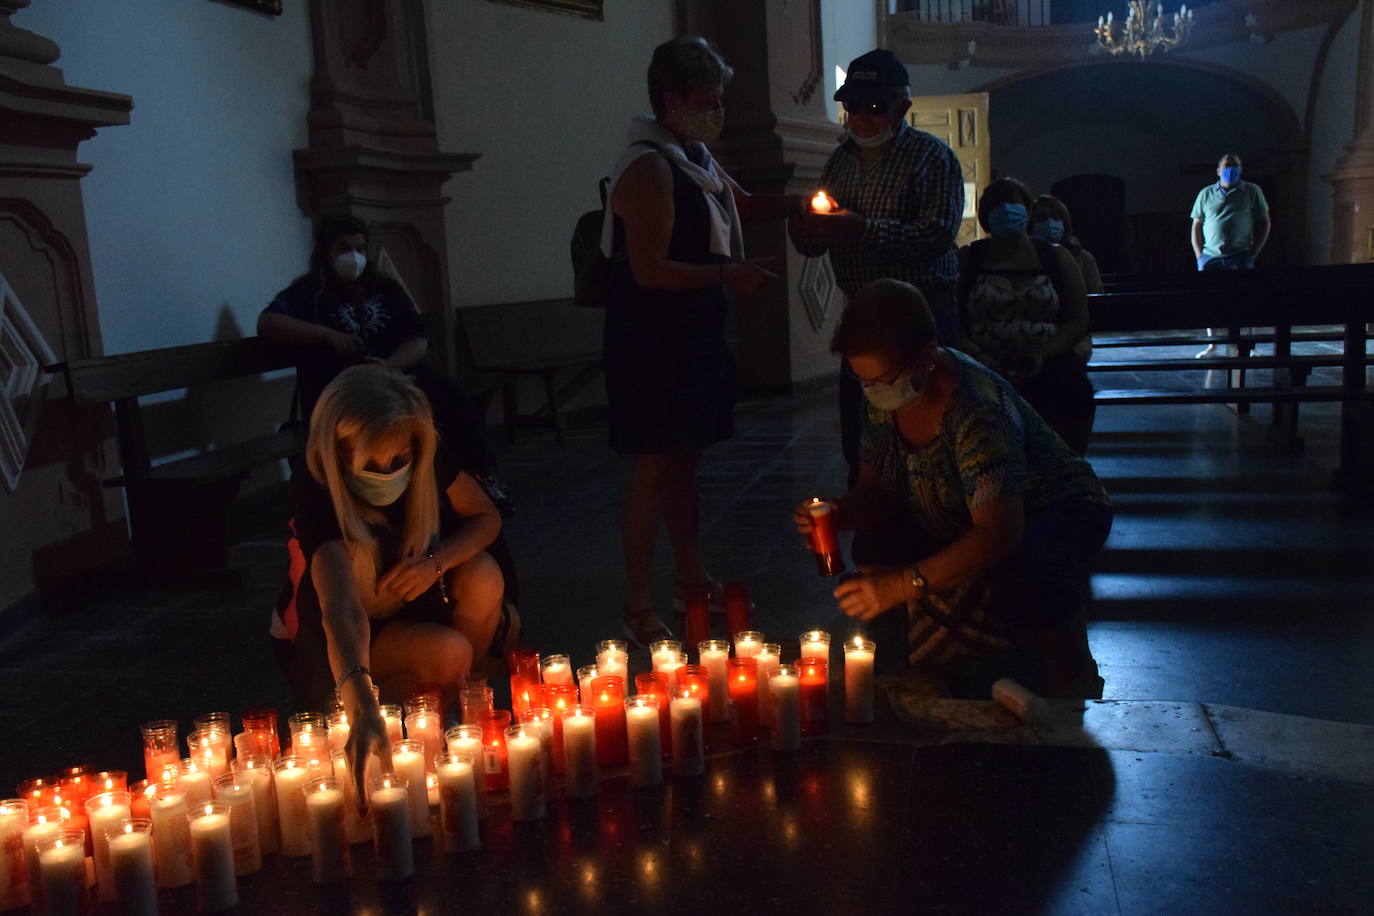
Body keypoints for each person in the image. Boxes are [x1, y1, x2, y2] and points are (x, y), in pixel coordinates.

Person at [793, 279, 1112, 699]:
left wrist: (901, 585)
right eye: (863, 381)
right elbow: (877, 492)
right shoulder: (882, 396)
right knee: (874, 547)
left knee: (1026, 573)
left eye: (881, 380)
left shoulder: (976, 409)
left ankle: (1070, 672)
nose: (872, 392)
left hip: (1052, 508)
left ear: (926, 359)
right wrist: (841, 512)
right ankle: (932, 649)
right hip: (953, 508)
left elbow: (999, 532)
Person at [603, 36, 788, 646]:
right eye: (707, 99)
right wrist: (728, 274)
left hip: (695, 332)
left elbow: (747, 205)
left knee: (686, 462)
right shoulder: (650, 166)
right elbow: (648, 269)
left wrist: (814, 211)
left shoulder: (695, 157)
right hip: (652, 339)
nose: (716, 110)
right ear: (672, 98)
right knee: (655, 466)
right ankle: (635, 603)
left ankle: (690, 576)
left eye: (719, 99)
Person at [283, 365, 510, 791]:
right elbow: (341, 608)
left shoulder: (427, 457)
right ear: (338, 453)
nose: (388, 472)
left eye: (398, 460)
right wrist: (361, 703)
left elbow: (486, 517)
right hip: (348, 641)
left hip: (414, 606)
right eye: (371, 462)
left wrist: (435, 562)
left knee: (483, 574)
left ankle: (452, 717)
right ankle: (392, 729)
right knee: (448, 651)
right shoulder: (316, 487)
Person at [787, 48, 965, 488]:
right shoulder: (840, 159)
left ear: (902, 106)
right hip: (862, 318)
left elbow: (935, 235)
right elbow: (823, 233)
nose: (861, 118)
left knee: (930, 429)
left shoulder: (932, 157)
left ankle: (937, 522)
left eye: (874, 107)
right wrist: (807, 231)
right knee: (863, 435)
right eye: (851, 107)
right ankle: (873, 516)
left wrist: (862, 230)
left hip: (922, 316)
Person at [258, 217, 510, 512]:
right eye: (344, 248)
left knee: (446, 391)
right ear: (326, 250)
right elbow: (269, 322)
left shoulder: (385, 289)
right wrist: (325, 335)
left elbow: (417, 339)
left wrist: (388, 367)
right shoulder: (309, 292)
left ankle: (479, 478)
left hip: (391, 376)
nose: (353, 255)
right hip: (342, 386)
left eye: (360, 247)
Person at [958, 178, 1094, 456]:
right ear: (986, 216)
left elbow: (1078, 318)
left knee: (1072, 388)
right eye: (998, 205)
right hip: (984, 360)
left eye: (1015, 203)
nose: (1007, 210)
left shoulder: (1056, 257)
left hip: (1047, 357)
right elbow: (951, 316)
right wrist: (976, 354)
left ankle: (1067, 469)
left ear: (1026, 211)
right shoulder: (969, 258)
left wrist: (1044, 353)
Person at [1190, 153, 1272, 355]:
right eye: (1227, 167)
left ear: (1241, 170)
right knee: (1210, 300)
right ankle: (1212, 343)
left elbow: (1265, 222)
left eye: (1235, 166)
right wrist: (1200, 255)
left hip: (1240, 254)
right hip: (1211, 256)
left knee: (1245, 300)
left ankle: (1246, 343)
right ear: (1218, 170)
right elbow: (1196, 226)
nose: (1231, 170)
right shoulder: (1206, 194)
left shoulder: (1252, 191)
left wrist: (1254, 253)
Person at [1030, 194, 1103, 294]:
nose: (1050, 222)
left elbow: (1095, 296)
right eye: (1042, 217)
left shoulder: (1083, 258)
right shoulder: (1023, 256)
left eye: (1056, 218)